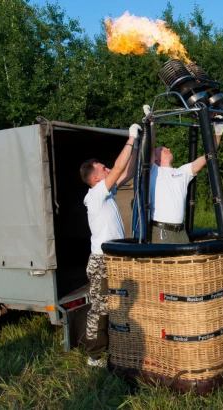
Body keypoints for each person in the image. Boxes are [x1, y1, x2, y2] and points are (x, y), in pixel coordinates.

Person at [79, 123, 141, 367]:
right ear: (95, 178)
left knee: (118, 304)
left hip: (113, 257)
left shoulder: (105, 193)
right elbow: (117, 168)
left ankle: (115, 347)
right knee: (100, 308)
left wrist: (137, 143)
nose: (107, 169)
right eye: (102, 168)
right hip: (101, 261)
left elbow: (130, 170)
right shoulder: (95, 194)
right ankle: (94, 356)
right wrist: (130, 137)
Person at [147, 105, 223, 243]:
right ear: (156, 158)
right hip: (162, 231)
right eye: (163, 149)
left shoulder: (182, 172)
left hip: (180, 232)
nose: (167, 148)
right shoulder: (154, 171)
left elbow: (208, 156)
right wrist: (151, 123)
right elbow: (150, 145)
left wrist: (218, 132)